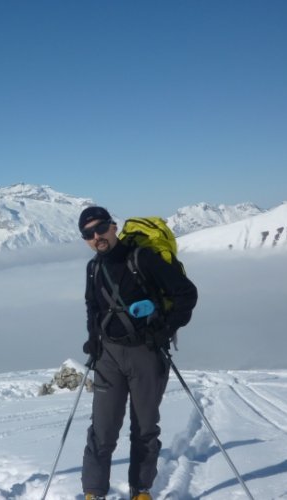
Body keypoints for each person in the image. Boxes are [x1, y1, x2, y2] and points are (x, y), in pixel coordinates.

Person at [78, 207, 198, 500]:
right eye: (88, 233)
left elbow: (186, 293)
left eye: (101, 227)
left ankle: (141, 489)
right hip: (108, 356)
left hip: (146, 352)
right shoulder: (93, 268)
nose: (97, 236)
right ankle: (94, 492)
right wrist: (93, 339)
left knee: (144, 427)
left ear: (113, 226)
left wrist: (165, 329)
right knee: (102, 429)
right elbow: (93, 306)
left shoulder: (142, 258)